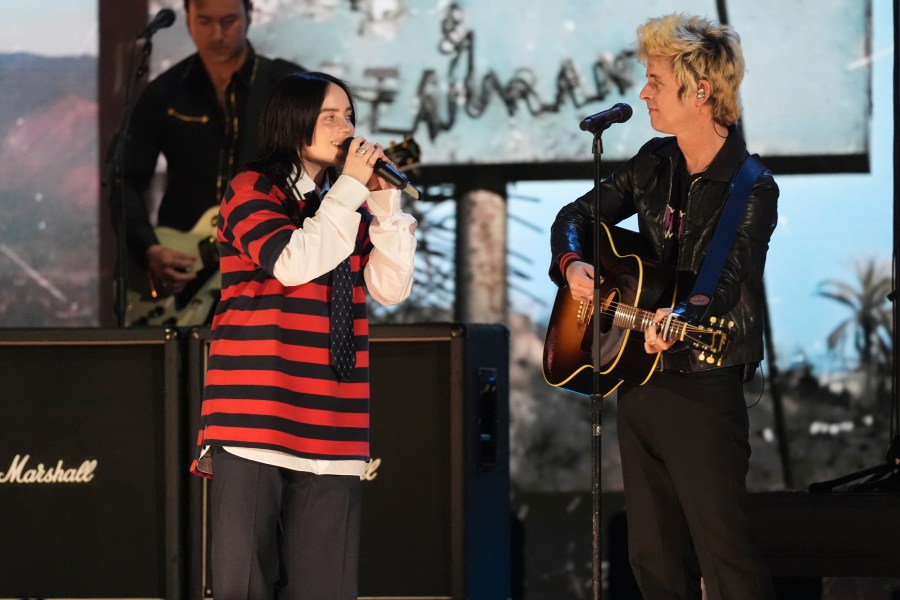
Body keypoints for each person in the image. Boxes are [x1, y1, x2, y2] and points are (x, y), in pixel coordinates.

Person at [550, 13, 778, 600]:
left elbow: (722, 281)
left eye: (655, 80)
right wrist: (575, 266)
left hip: (703, 383)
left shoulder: (750, 186)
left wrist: (682, 320)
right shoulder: (653, 162)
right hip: (639, 376)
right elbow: (575, 217)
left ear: (700, 91)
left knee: (721, 552)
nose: (644, 92)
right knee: (652, 556)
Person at [190, 70, 417, 598]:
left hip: (333, 420)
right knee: (243, 584)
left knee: (326, 587)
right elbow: (292, 261)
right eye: (330, 117)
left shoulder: (347, 203)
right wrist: (350, 195)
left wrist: (384, 207)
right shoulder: (252, 190)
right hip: (255, 417)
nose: (347, 128)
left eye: (350, 116)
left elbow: (389, 287)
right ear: (294, 123)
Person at [121, 0, 302, 314]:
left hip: (267, 267)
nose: (217, 34)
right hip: (186, 264)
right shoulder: (164, 92)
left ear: (250, 16)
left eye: (229, 20)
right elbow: (127, 181)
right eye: (204, 21)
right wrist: (149, 249)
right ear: (188, 20)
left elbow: (325, 171)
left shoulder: (286, 86)